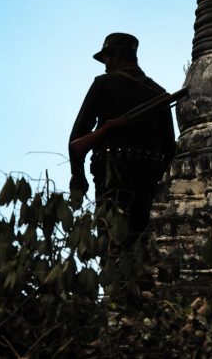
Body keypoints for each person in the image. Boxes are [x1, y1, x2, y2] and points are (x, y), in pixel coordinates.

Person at [69, 33, 176, 257]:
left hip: (112, 178)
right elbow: (169, 151)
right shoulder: (160, 94)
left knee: (112, 247)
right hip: (147, 182)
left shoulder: (103, 84)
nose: (106, 65)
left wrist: (78, 176)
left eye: (107, 58)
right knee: (140, 248)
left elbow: (77, 138)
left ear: (116, 57)